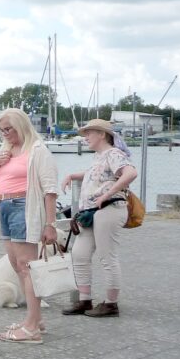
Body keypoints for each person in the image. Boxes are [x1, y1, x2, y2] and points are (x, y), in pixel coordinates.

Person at [0, 108, 59, 344]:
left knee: (27, 265)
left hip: (23, 206)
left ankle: (32, 327)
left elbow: (50, 190)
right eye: (2, 130)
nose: (5, 133)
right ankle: (34, 318)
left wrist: (50, 224)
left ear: (21, 125)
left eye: (9, 129)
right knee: (16, 264)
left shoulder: (38, 151)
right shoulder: (6, 150)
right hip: (5, 207)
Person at [60, 119, 137, 318]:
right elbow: (94, 175)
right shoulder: (100, 156)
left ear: (102, 134)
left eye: (89, 133)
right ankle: (85, 299)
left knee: (106, 255)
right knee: (79, 253)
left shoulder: (113, 153)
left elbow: (130, 173)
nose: (85, 137)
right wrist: (72, 175)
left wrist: (108, 193)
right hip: (92, 211)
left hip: (109, 208)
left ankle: (111, 304)